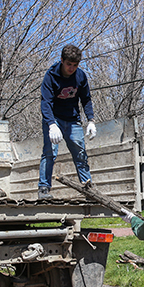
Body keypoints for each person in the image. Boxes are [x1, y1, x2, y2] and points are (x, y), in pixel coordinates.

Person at [38, 44, 97, 200]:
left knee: (80, 153)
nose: (72, 68)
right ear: (62, 61)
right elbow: (46, 103)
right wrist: (51, 124)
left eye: (75, 65)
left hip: (72, 120)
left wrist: (91, 120)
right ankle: (43, 188)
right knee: (49, 153)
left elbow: (86, 99)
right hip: (54, 119)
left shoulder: (81, 76)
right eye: (69, 64)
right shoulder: (51, 76)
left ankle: (88, 188)